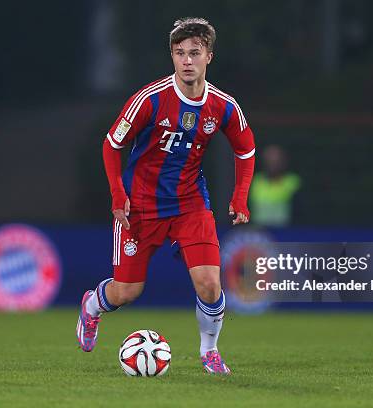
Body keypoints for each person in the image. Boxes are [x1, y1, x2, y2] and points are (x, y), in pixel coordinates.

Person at [77, 17, 256, 375]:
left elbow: (246, 148)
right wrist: (117, 195)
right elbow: (112, 146)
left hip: (191, 204)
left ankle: (210, 351)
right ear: (172, 56)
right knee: (127, 292)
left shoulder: (222, 105)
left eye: (194, 53)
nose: (186, 60)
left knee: (209, 284)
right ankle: (93, 307)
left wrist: (240, 196)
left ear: (209, 57)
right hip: (140, 207)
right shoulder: (150, 100)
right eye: (179, 53)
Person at [250, 144, 302, 227]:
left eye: (276, 160)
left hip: (286, 232)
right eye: (269, 160)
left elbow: (300, 211)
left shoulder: (293, 182)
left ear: (283, 161)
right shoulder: (255, 181)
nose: (273, 163)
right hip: (259, 233)